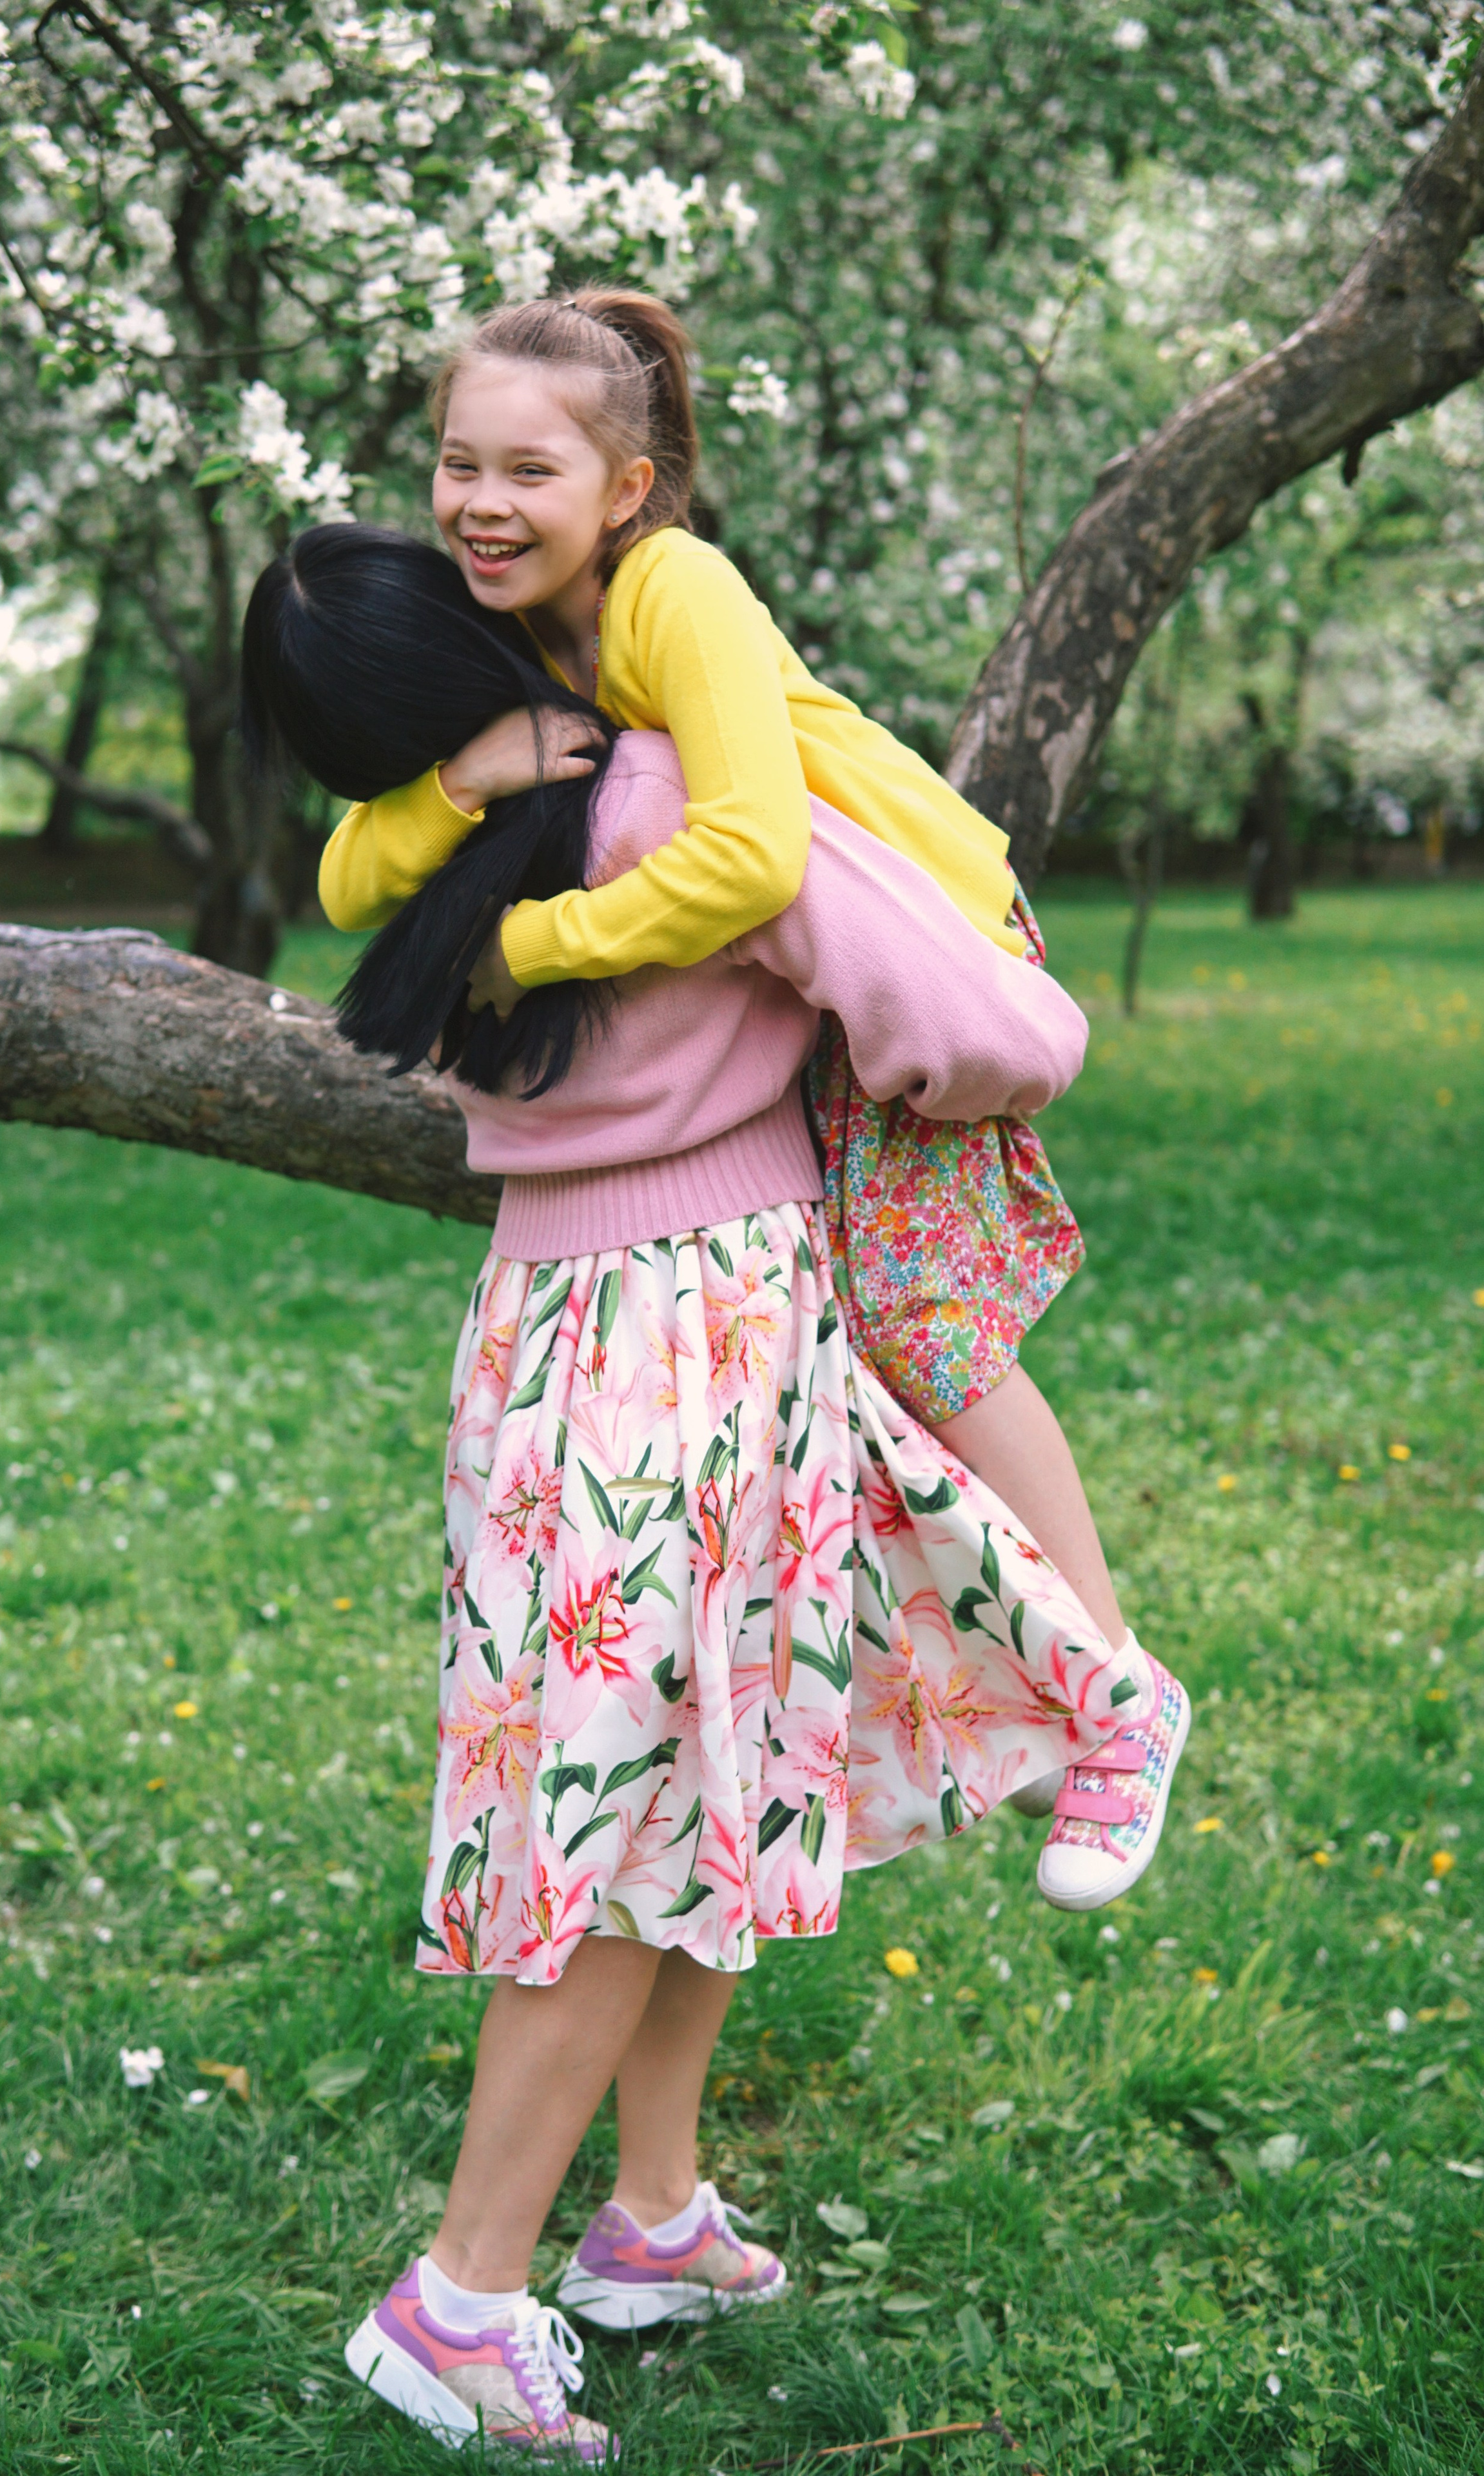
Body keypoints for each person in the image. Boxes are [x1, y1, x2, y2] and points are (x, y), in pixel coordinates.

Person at [243, 526, 1191, 2461]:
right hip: (697, 1334)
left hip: (546, 1337)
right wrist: (907, 1066)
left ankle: (652, 2219)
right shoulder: (667, 800)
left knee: (708, 1779)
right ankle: (461, 2296)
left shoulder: (436, 859)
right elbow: (1007, 1032)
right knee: (633, 1824)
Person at [317, 288, 1157, 1896]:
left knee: (919, 1327)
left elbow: (750, 854)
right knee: (821, 1370)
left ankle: (1118, 1692)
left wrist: (536, 946)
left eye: (526, 473)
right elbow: (351, 873)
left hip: (911, 943)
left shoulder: (672, 591)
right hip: (776, 988)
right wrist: (458, 781)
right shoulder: (507, 628)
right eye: (453, 465)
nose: (480, 505)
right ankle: (984, 1677)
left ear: (623, 489)